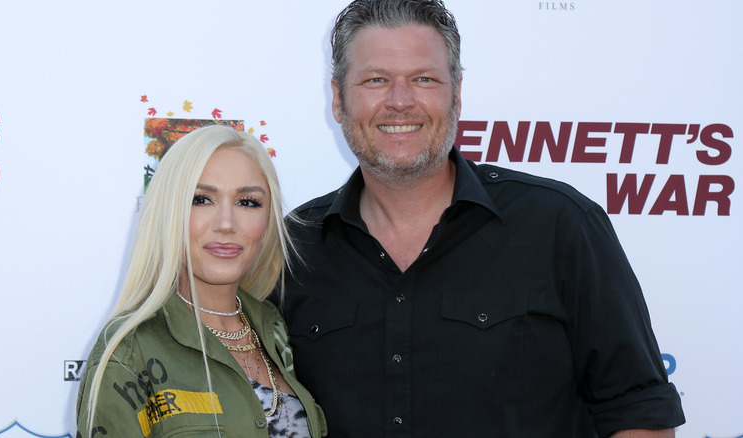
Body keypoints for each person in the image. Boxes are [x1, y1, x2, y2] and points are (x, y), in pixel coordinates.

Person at [278, 0, 686, 437]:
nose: (400, 102)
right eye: (376, 80)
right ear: (339, 99)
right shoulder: (292, 249)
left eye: (424, 79)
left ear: (456, 93)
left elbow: (639, 414)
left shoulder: (560, 225)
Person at [76, 125, 327, 437]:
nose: (226, 223)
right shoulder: (129, 349)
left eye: (248, 202)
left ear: (268, 220)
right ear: (169, 213)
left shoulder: (279, 332)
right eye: (201, 199)